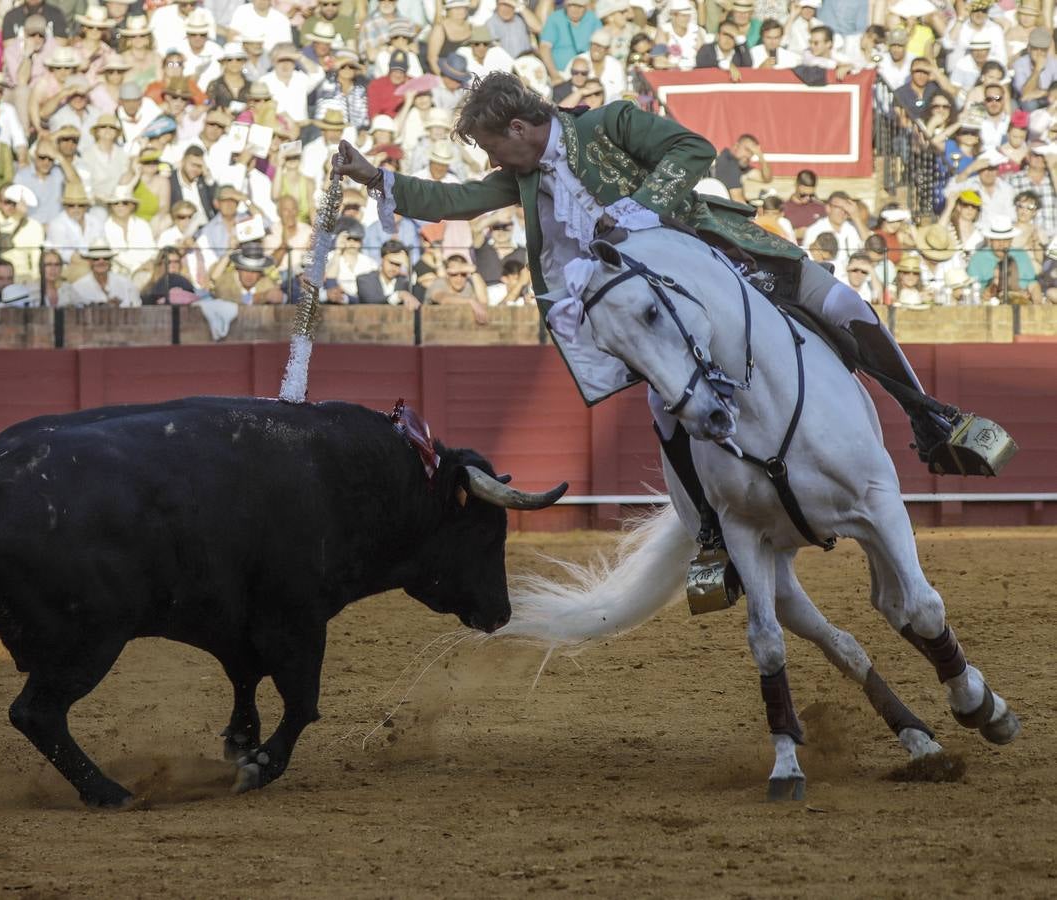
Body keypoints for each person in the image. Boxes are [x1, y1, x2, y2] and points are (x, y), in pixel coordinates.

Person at [332, 71, 1011, 571]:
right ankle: (714, 536)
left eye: (491, 146)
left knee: (843, 307)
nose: (491, 162)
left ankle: (931, 417)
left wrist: (638, 210)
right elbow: (458, 199)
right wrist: (373, 178)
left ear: (518, 126)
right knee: (668, 402)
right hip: (646, 303)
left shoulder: (610, 122)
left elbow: (692, 152)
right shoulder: (526, 175)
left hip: (711, 255)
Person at [966, 216, 1042, 304]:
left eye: (1005, 240)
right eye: (997, 240)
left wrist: (1037, 304)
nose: (1001, 244)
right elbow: (970, 288)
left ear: (1011, 240)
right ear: (991, 240)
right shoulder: (978, 258)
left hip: (1020, 302)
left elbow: (1032, 284)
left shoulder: (1021, 255)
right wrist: (982, 293)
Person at [69, 242, 142, 306]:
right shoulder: (77, 288)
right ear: (89, 261)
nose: (101, 261)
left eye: (106, 258)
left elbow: (137, 308)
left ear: (110, 260)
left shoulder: (126, 284)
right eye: (96, 258)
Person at [356, 239, 418, 307]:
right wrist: (398, 295)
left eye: (398, 264)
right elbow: (371, 301)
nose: (394, 268)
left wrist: (409, 266)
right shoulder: (365, 280)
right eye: (391, 262)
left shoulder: (405, 282)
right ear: (382, 259)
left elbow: (419, 296)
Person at [711, 134, 771, 204]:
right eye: (747, 150)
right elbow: (738, 201)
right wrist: (756, 214)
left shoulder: (741, 166)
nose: (748, 155)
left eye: (752, 153)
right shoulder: (728, 163)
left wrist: (760, 156)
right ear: (736, 146)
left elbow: (766, 178)